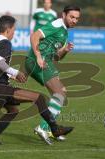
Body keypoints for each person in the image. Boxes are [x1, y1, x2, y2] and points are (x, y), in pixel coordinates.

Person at [0, 15, 73, 145]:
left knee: (13, 111)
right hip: (0, 87)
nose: (14, 32)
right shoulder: (5, 43)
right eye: (14, 29)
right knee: (39, 98)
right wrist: (16, 72)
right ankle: (55, 129)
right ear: (8, 30)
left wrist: (9, 75)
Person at [25, 5, 81, 145]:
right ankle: (44, 128)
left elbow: (57, 57)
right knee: (60, 93)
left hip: (45, 62)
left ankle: (51, 129)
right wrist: (38, 56)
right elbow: (34, 36)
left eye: (77, 18)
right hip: (38, 62)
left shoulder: (64, 32)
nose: (74, 20)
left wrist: (65, 50)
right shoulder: (57, 24)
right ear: (64, 15)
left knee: (58, 95)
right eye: (72, 17)